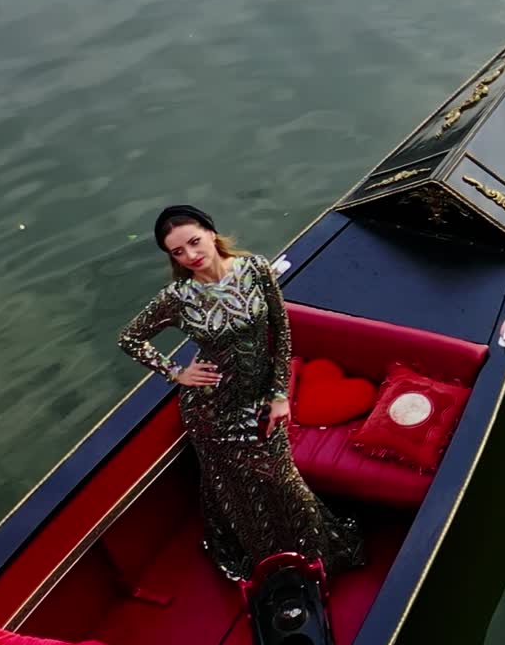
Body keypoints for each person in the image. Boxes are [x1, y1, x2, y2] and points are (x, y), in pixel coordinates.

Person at [118, 204, 365, 583]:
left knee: (287, 486)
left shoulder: (256, 269)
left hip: (263, 400)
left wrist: (280, 394)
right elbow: (130, 339)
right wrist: (176, 372)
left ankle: (318, 561)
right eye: (178, 252)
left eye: (194, 242)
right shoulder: (178, 297)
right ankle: (273, 568)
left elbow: (281, 334)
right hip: (213, 411)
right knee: (243, 496)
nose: (190, 255)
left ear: (211, 233)